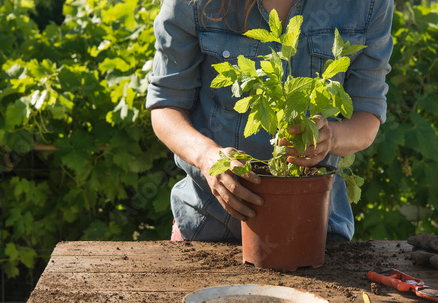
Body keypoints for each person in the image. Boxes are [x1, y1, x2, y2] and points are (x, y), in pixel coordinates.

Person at [146, 0, 394, 242]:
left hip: (316, 230)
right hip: (207, 228)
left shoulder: (367, 5)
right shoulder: (192, 3)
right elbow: (166, 104)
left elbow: (367, 113)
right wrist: (207, 157)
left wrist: (332, 138)